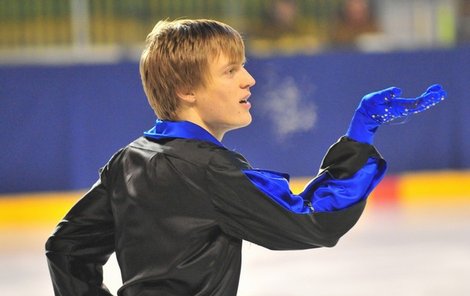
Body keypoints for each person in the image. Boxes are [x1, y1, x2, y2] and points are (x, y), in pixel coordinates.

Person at [45, 19, 446, 296]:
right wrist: (360, 136)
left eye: (244, 66)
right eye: (231, 70)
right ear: (187, 88)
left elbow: (67, 247)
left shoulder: (128, 160)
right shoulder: (208, 170)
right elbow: (312, 221)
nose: (248, 79)